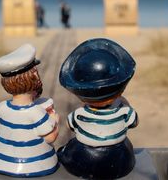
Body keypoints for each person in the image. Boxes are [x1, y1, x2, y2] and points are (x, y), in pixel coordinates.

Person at [58, 38, 138, 179]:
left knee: (71, 146)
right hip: (119, 158)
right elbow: (134, 122)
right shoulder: (125, 111)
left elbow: (70, 125)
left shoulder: (78, 114)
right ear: (120, 91)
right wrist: (124, 103)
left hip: (87, 157)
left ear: (82, 96)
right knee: (126, 146)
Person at [0, 44, 59, 177]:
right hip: (34, 164)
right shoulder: (36, 113)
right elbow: (50, 138)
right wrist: (53, 118)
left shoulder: (2, 107)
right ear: (34, 77)